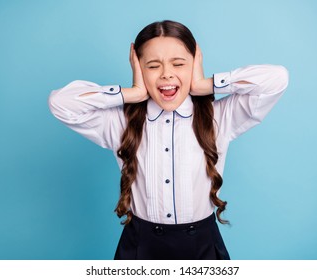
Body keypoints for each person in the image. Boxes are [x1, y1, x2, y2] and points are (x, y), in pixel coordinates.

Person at [48, 20, 289, 260]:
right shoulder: (120, 122)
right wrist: (133, 93)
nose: (166, 74)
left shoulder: (219, 117)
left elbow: (276, 79)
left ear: (194, 63)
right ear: (139, 68)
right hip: (140, 247)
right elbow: (60, 103)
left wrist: (205, 84)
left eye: (179, 63)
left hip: (203, 247)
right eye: (153, 66)